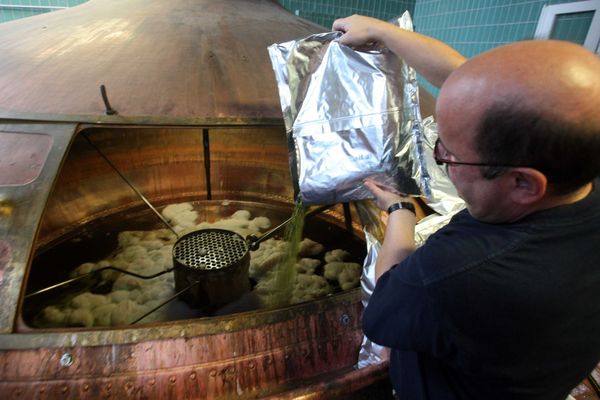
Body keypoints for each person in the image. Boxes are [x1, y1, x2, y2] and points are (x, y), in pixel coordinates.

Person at [332, 15, 600, 400]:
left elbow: (383, 308)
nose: (440, 158)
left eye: (449, 155)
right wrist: (383, 32)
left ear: (524, 183)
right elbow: (464, 78)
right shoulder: (577, 159)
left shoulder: (461, 273)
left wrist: (401, 211)